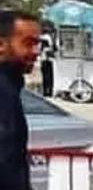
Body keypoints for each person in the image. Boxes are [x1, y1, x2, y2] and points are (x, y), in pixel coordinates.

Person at [0, 10, 41, 190]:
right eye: (28, 43)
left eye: (37, 44)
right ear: (1, 45)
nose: (36, 52)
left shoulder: (10, 86)